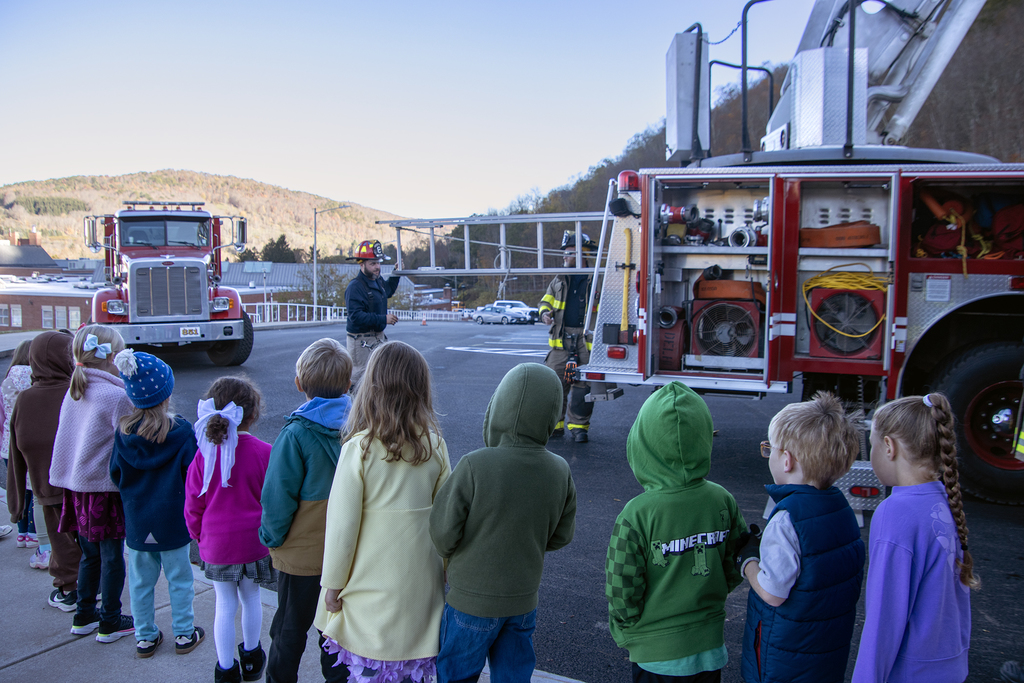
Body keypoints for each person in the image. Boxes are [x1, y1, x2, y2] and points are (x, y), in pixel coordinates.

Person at [431, 362, 577, 683]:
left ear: (499, 406)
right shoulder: (559, 470)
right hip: (523, 600)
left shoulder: (474, 465)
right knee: (513, 675)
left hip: (470, 600)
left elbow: (442, 534)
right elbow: (561, 536)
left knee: (456, 674)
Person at [316, 340, 452, 683]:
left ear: (371, 387)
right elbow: (447, 520)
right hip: (420, 591)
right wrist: (447, 572)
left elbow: (342, 526)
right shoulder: (435, 445)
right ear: (421, 389)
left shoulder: (359, 449)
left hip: (367, 592)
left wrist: (333, 584)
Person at [605, 381, 747, 683]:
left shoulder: (636, 513)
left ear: (643, 443)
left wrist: (629, 626)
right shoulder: (722, 500)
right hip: (709, 649)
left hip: (654, 656)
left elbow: (621, 586)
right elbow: (737, 561)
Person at [739, 392, 865, 683]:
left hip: (784, 658)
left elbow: (773, 592)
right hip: (825, 654)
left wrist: (747, 561)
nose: (768, 454)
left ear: (787, 461)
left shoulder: (786, 518)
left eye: (770, 449)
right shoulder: (841, 507)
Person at [852, 393, 978, 683]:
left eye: (870, 446)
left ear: (888, 447)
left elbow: (885, 619)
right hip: (949, 668)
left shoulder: (896, 513)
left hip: (910, 673)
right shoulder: (944, 500)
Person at [259, 337, 353, 683]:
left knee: (288, 631)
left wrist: (271, 537)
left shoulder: (295, 434)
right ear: (348, 383)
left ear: (299, 385)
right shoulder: (360, 426)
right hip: (347, 556)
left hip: (301, 559)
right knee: (336, 637)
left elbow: (277, 497)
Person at [110, 349, 205, 656]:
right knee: (179, 580)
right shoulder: (182, 432)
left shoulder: (122, 435)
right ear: (166, 394)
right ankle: (184, 634)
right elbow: (194, 475)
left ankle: (145, 636)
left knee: (140, 584)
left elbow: (115, 473)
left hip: (138, 524)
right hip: (173, 523)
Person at [49, 326, 136, 641]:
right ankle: (111, 619)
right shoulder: (116, 396)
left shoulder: (76, 391)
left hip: (77, 488)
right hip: (104, 490)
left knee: (90, 554)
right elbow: (131, 443)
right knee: (113, 557)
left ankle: (84, 614)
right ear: (113, 357)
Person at [185, 377, 273, 683]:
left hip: (218, 544)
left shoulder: (204, 455)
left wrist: (198, 535)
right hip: (253, 541)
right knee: (251, 598)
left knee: (224, 603)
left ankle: (225, 669)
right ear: (252, 414)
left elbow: (193, 504)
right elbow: (273, 500)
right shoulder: (265, 452)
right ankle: (252, 658)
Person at [6, 331, 83, 605]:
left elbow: (16, 449)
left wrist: (15, 503)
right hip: (85, 486)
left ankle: (68, 591)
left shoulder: (25, 399)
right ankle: (95, 587)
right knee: (90, 540)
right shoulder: (77, 392)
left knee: (60, 541)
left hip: (46, 487)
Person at [538, 230, 602, 443]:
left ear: (581, 253)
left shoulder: (597, 278)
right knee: (553, 383)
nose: (564, 257)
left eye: (568, 252)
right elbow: (545, 301)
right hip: (560, 341)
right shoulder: (559, 279)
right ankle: (555, 426)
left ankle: (578, 428)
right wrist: (544, 313)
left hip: (586, 341)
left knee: (582, 385)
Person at [344, 239, 401, 391]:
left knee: (377, 378)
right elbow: (355, 316)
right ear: (361, 264)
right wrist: (383, 319)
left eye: (378, 263)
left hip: (376, 337)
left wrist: (395, 274)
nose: (377, 267)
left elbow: (387, 291)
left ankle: (373, 412)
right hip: (361, 341)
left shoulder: (377, 281)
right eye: (373, 264)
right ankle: (357, 413)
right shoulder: (355, 287)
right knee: (360, 380)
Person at [2, 339, 34, 548]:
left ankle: (21, 532)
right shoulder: (35, 377)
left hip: (8, 444)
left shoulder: (7, 380)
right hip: (30, 440)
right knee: (35, 489)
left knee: (18, 487)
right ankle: (33, 532)